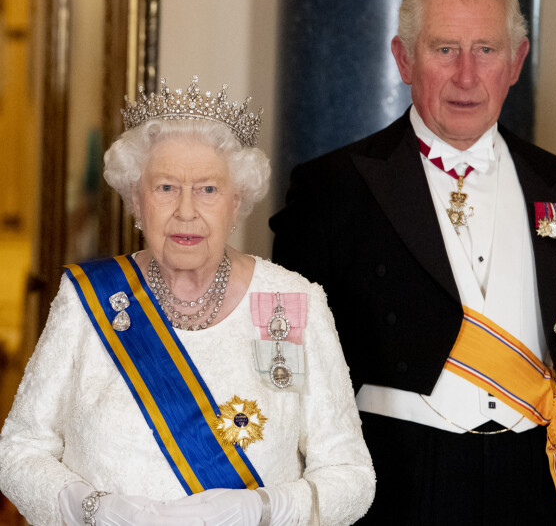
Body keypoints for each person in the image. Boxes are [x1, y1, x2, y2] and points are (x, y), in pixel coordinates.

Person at [270, 0, 556, 525]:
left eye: (486, 50)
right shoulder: (332, 188)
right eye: (444, 49)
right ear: (403, 59)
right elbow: (285, 360)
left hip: (539, 483)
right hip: (398, 479)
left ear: (516, 62)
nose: (467, 75)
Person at [0, 77, 375, 525]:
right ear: (136, 199)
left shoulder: (288, 303)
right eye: (165, 188)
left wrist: (263, 510)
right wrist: (92, 509)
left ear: (237, 203)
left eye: (208, 189)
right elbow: (18, 451)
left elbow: (351, 477)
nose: (186, 211)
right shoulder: (90, 300)